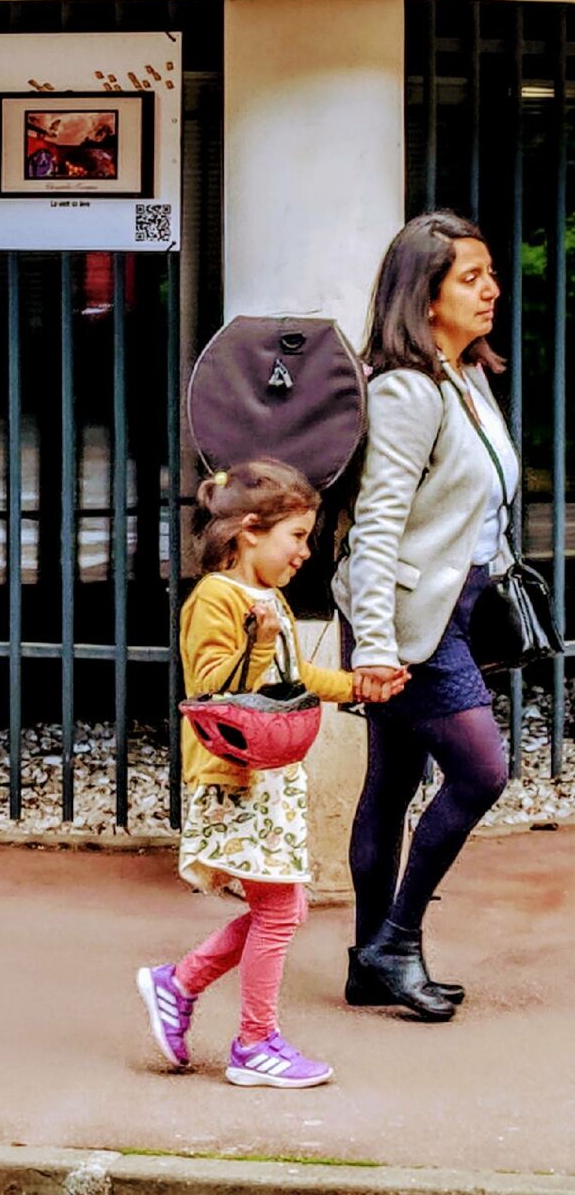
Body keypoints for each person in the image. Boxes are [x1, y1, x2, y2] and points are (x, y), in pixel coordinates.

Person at [136, 460, 379, 1088]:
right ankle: (254, 1043)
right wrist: (263, 641)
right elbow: (215, 690)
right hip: (234, 778)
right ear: (249, 530)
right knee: (278, 911)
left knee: (285, 909)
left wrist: (356, 685)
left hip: (270, 777)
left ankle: (179, 983)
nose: (305, 551)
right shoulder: (215, 598)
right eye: (296, 536)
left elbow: (291, 678)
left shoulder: (268, 598)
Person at [333, 211, 515, 1022]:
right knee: (481, 772)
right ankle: (395, 943)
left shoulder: (465, 378)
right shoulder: (405, 391)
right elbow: (375, 528)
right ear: (424, 295)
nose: (491, 289)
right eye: (470, 277)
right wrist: (374, 646)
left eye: (489, 273)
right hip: (411, 622)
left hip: (455, 603)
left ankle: (369, 962)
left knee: (392, 781)